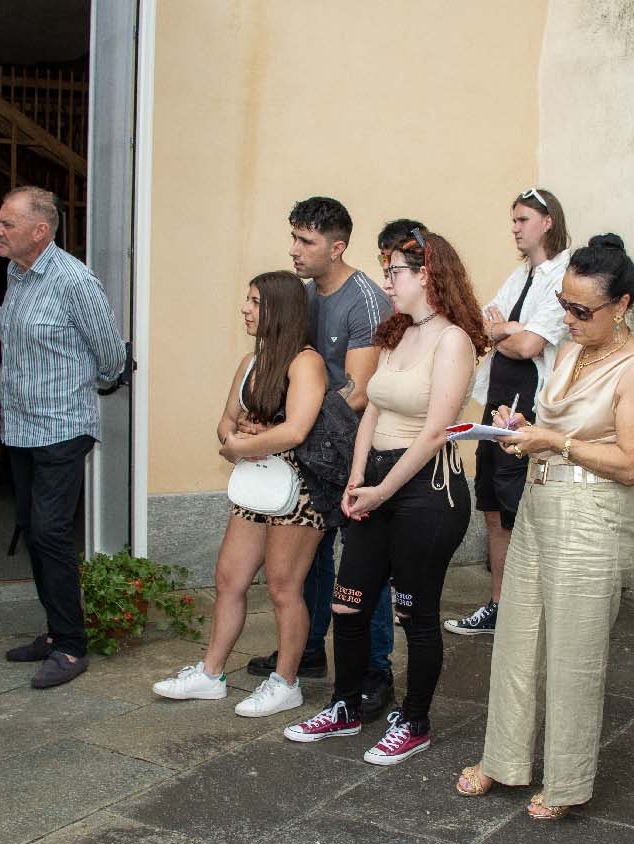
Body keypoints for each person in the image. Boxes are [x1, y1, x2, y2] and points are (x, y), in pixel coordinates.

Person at [454, 234, 634, 820]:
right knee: (517, 641)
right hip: (542, 507)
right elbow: (556, 426)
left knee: (575, 654)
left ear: (621, 305)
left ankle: (569, 782)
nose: (568, 320)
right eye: (564, 305)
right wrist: (519, 425)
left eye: (582, 310)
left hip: (594, 516)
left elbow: (631, 461)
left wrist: (556, 441)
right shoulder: (571, 353)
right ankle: (504, 759)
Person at [283, 228, 486, 765]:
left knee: (413, 614)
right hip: (372, 480)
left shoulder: (454, 340)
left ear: (427, 276)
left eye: (395, 271)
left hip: (425, 490)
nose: (387, 281)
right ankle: (346, 705)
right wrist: (355, 481)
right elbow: (372, 407)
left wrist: (382, 490)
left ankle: (414, 721)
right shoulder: (397, 333)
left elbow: (437, 431)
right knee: (347, 604)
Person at [246, 198, 399, 722]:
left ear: (337, 247)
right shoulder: (305, 295)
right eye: (293, 237)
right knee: (309, 558)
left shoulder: (366, 301)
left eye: (306, 241)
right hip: (309, 449)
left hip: (356, 452)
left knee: (363, 565)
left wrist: (291, 425)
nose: (294, 250)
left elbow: (358, 391)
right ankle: (307, 650)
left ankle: (377, 671)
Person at [151, 272, 327, 716]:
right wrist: (239, 438)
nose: (244, 310)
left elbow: (296, 429)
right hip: (255, 486)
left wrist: (242, 444)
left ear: (279, 310)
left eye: (254, 302)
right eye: (246, 301)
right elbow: (225, 421)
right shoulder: (251, 362)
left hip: (298, 493)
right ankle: (211, 674)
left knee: (285, 587)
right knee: (229, 579)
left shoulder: (306, 363)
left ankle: (287, 681)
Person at [0, 186, 126, 689]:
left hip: (63, 426)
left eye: (7, 223)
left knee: (50, 531)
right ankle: (54, 632)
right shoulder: (16, 273)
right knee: (31, 527)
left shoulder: (74, 280)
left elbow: (111, 355)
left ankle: (71, 648)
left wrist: (77, 381)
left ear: (39, 230)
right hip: (21, 427)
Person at [445, 188, 570, 637]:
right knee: (495, 513)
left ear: (547, 222)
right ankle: (499, 605)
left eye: (522, 220)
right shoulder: (520, 276)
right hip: (495, 405)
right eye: (513, 220)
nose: (514, 228)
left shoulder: (562, 276)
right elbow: (485, 325)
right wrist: (505, 329)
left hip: (529, 410)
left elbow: (530, 345)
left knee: (522, 513)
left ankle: (527, 610)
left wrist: (509, 331)